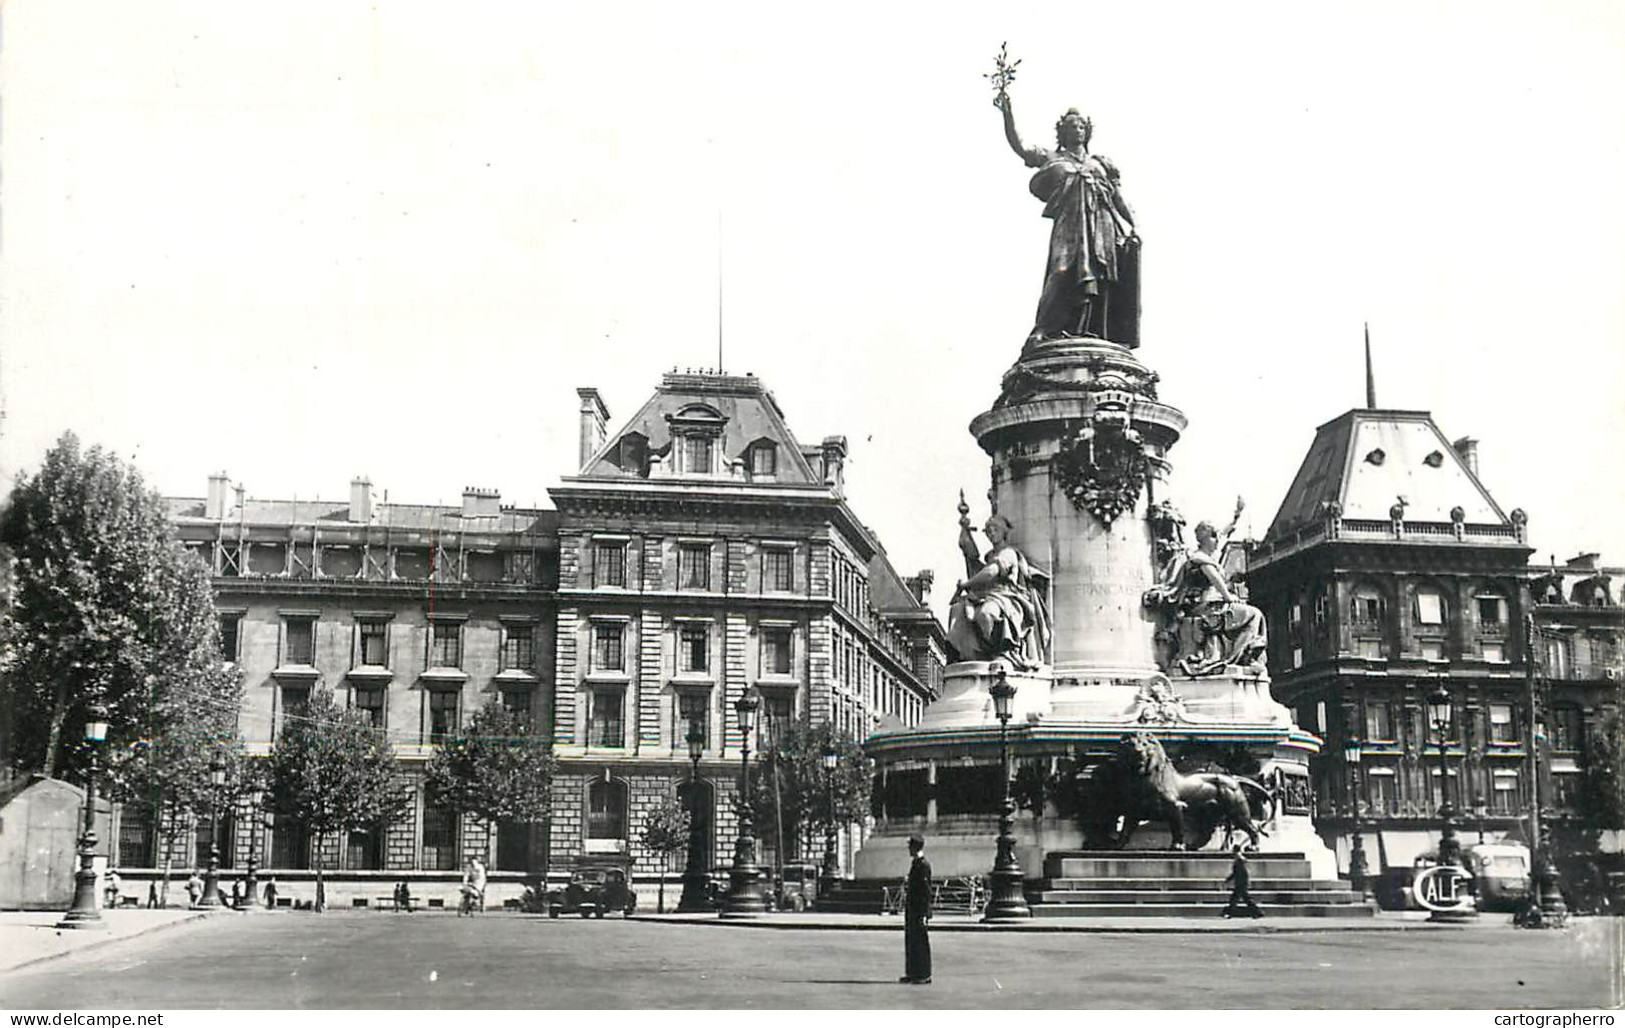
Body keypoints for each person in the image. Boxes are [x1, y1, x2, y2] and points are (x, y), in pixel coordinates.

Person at [995, 91, 1140, 347]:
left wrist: (1134, 225)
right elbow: (1021, 146)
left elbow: (1118, 198)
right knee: (1061, 270)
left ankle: (1093, 331)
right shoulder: (1053, 158)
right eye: (1072, 126)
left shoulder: (1100, 164)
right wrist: (1008, 115)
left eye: (1082, 125)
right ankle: (1043, 329)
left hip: (1102, 226)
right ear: (1062, 131)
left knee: (1101, 276)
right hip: (1070, 225)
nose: (1078, 129)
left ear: (1088, 131)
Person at [947, 514, 1053, 669]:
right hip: (990, 596)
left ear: (1004, 532)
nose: (991, 533)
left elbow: (991, 572)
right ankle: (969, 654)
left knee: (986, 614)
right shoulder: (990, 555)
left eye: (995, 529)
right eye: (988, 531)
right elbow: (977, 566)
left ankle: (1004, 652)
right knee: (957, 610)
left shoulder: (1008, 553)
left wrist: (967, 584)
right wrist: (965, 535)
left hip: (1008, 597)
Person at [900, 835, 933, 984]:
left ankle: (923, 974)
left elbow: (926, 891)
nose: (908, 849)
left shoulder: (923, 865)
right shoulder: (916, 864)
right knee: (912, 941)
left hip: (918, 910)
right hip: (913, 909)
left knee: (920, 942)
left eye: (910, 847)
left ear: (915, 847)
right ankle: (913, 972)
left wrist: (926, 913)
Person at [1223, 847, 1264, 919]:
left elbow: (1238, 872)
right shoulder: (1240, 859)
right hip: (1241, 883)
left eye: (1233, 851)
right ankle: (1257, 912)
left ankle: (1230, 913)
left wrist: (1228, 880)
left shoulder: (1239, 859)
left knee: (1234, 899)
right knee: (1246, 899)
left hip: (1240, 883)